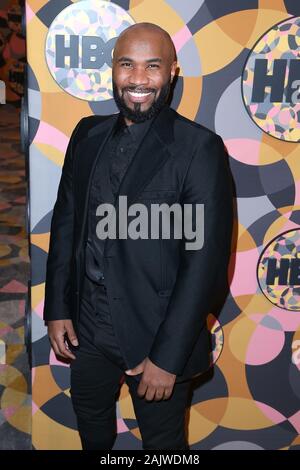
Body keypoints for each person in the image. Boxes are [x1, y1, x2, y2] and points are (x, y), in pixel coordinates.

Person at [43, 22, 234, 450]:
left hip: (156, 334)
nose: (138, 79)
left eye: (153, 66)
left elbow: (204, 265)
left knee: (164, 447)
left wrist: (167, 359)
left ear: (172, 73)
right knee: (91, 425)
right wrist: (57, 306)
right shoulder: (86, 136)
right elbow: (66, 224)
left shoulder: (198, 148)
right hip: (87, 327)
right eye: (127, 65)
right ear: (113, 69)